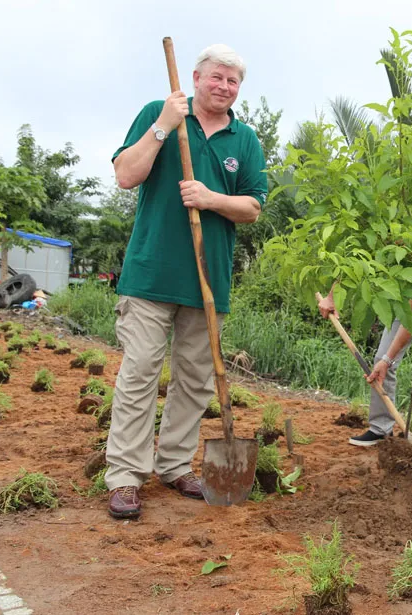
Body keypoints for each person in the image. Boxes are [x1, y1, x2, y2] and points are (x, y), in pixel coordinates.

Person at [105, 44, 269, 519]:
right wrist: (163, 127)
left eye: (232, 81)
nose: (223, 87)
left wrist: (210, 197)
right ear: (195, 78)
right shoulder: (159, 114)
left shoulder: (245, 140)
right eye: (216, 77)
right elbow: (125, 176)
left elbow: (253, 208)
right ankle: (125, 477)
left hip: (208, 282)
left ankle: (175, 464)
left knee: (195, 381)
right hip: (151, 275)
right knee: (138, 376)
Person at [318, 274, 412, 446]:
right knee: (380, 360)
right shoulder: (391, 248)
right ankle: (381, 429)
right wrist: (331, 297)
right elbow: (357, 261)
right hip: (404, 305)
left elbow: (411, 315)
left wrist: (388, 360)